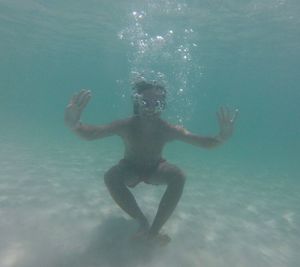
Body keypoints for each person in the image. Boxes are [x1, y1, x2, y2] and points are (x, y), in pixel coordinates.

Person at [64, 80, 238, 245]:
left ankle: (153, 232)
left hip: (156, 169)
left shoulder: (167, 129)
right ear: (137, 103)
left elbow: (202, 143)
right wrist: (73, 124)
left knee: (179, 176)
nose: (152, 107)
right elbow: (92, 134)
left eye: (158, 103)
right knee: (111, 176)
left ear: (163, 105)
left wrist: (221, 137)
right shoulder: (126, 125)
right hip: (129, 168)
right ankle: (142, 222)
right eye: (146, 102)